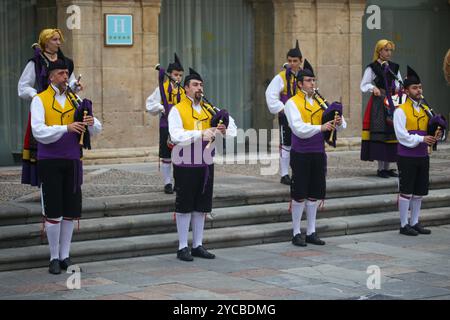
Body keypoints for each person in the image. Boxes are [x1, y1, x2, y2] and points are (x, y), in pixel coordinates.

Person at [30, 59, 101, 274]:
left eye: (67, 73)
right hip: (50, 160)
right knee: (53, 211)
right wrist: (65, 128)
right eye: (61, 73)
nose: (65, 77)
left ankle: (65, 255)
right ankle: (53, 257)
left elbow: (98, 128)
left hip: (72, 160)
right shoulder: (39, 99)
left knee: (70, 211)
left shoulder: (74, 98)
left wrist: (91, 123)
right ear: (51, 77)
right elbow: (38, 131)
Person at [168, 68, 237, 261]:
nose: (199, 88)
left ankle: (198, 244)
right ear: (186, 89)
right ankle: (182, 247)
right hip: (184, 162)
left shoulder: (209, 108)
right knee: (184, 205)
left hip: (205, 162)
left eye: (201, 85)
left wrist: (223, 128)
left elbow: (233, 130)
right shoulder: (177, 109)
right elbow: (175, 135)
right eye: (195, 85)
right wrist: (199, 134)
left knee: (201, 206)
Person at [284, 60, 346, 247]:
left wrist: (338, 120)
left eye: (313, 80)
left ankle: (311, 231)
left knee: (315, 193)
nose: (312, 83)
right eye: (309, 80)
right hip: (301, 153)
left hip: (318, 152)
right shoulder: (291, 103)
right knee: (299, 193)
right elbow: (298, 128)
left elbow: (342, 127)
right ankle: (296, 232)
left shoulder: (321, 102)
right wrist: (321, 127)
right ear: (300, 84)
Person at [18, 28, 82, 187]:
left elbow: (70, 83)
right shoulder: (35, 62)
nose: (59, 43)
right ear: (45, 42)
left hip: (64, 107)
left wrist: (75, 86)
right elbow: (23, 87)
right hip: (44, 108)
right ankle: (45, 183)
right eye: (55, 40)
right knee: (43, 142)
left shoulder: (66, 62)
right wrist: (38, 97)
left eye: (59, 40)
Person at [393, 66, 445, 236]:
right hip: (406, 156)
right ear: (406, 91)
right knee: (406, 191)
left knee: (419, 192)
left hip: (423, 155)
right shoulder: (400, 111)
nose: (418, 90)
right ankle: (403, 224)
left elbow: (433, 130)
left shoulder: (425, 110)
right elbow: (402, 136)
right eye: (415, 88)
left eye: (420, 87)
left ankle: (415, 222)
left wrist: (438, 133)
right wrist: (421, 139)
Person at [360, 39, 402, 178]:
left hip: (393, 101)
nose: (389, 53)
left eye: (390, 50)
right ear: (379, 51)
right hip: (379, 103)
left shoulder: (394, 67)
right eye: (386, 50)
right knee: (380, 132)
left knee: (392, 132)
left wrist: (401, 87)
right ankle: (380, 168)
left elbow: (398, 84)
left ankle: (388, 167)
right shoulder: (372, 67)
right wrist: (373, 88)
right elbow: (364, 84)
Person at [146, 53, 186, 194]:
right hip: (166, 126)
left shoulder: (183, 91)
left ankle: (179, 182)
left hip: (180, 128)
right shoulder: (161, 89)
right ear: (169, 74)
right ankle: (167, 182)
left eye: (180, 75)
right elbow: (150, 104)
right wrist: (162, 108)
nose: (178, 78)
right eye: (175, 75)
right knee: (167, 155)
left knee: (180, 155)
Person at [265, 40, 303, 185]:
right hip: (286, 117)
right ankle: (284, 174)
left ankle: (298, 172)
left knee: (300, 144)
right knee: (286, 144)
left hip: (302, 116)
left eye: (295, 61)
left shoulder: (304, 76)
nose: (292, 63)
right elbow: (271, 95)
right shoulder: (281, 77)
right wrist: (284, 110)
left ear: (301, 61)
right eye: (289, 61)